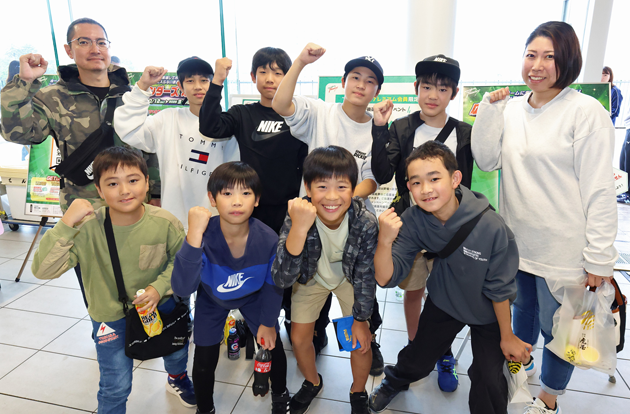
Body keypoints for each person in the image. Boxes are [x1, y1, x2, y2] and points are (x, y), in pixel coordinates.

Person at [472, 21, 618, 414]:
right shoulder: (512, 109)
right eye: (531, 55)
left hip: (565, 252)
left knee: (563, 331)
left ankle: (549, 399)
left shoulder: (585, 112)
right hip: (519, 245)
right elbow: (486, 159)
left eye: (549, 57)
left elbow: (600, 189)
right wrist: (490, 110)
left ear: (567, 61)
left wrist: (599, 258)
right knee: (523, 317)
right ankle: (520, 372)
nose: (537, 65)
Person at [0, 17, 160, 307]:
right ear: (69, 49)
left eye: (101, 42)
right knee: (98, 289)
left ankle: (148, 329)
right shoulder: (52, 97)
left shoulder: (131, 95)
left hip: (137, 206)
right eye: (84, 42)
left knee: (146, 280)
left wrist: (157, 195)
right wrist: (24, 83)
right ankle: (105, 329)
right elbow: (18, 133)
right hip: (86, 211)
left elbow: (148, 148)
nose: (95, 49)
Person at [368, 141, 530, 414]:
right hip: (445, 299)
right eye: (416, 182)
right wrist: (384, 241)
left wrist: (507, 335)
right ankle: (393, 381)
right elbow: (386, 279)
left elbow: (500, 288)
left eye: (434, 179)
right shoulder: (414, 219)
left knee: (489, 379)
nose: (426, 189)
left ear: (455, 179)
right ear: (409, 187)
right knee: (418, 359)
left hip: (488, 310)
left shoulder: (490, 226)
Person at [30, 147, 196, 413]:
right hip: (110, 316)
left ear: (147, 183)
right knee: (115, 384)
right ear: (99, 190)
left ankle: (177, 378)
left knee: (176, 352)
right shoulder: (86, 227)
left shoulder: (165, 222)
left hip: (161, 306)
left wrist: (158, 288)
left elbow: (182, 262)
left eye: (133, 180)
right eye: (112, 183)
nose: (124, 190)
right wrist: (66, 223)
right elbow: (42, 270)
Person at [197, 47, 332, 356]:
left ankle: (305, 324)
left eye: (278, 72)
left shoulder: (300, 115)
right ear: (252, 76)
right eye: (263, 72)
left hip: (292, 210)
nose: (270, 79)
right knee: (256, 271)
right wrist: (217, 80)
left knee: (298, 270)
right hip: (252, 213)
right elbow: (209, 127)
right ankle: (255, 320)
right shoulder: (243, 114)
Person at [272, 43, 385, 376]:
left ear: (377, 90)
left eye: (370, 81)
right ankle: (314, 335)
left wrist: (341, 199)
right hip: (311, 221)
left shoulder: (376, 129)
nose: (361, 85)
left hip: (351, 222)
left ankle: (367, 340)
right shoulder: (321, 111)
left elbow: (373, 178)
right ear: (344, 82)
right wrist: (300, 62)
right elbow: (281, 104)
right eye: (355, 77)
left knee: (358, 284)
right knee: (309, 279)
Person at [370, 54, 473, 393]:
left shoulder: (464, 133)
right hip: (412, 229)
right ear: (416, 88)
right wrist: (379, 128)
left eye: (442, 89)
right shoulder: (402, 127)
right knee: (413, 291)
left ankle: (443, 354)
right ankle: (418, 351)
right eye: (427, 86)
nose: (433, 95)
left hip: (451, 232)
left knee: (446, 295)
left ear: (453, 93)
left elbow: (468, 183)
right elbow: (383, 173)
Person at [171, 162, 289, 414]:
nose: (237, 201)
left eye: (246, 193)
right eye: (227, 193)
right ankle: (205, 408)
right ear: (212, 199)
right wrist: (193, 236)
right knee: (204, 358)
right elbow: (182, 288)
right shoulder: (202, 235)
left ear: (257, 199)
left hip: (254, 297)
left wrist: (268, 323)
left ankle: (280, 394)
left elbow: (274, 285)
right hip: (212, 298)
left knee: (273, 345)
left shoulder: (268, 239)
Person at [272, 146, 379, 414]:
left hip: (350, 279)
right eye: (322, 186)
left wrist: (361, 320)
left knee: (360, 342)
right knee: (299, 339)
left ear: (353, 189)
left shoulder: (365, 222)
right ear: (308, 188)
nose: (332, 196)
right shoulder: (298, 214)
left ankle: (358, 391)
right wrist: (299, 227)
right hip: (311, 278)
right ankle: (312, 382)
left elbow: (365, 275)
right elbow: (282, 278)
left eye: (341, 187)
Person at [114, 57, 239, 229]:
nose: (198, 86)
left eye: (204, 80)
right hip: (175, 222)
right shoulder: (168, 119)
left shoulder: (227, 125)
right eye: (190, 81)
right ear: (180, 86)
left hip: (218, 222)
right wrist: (143, 86)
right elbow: (129, 129)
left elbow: (235, 174)